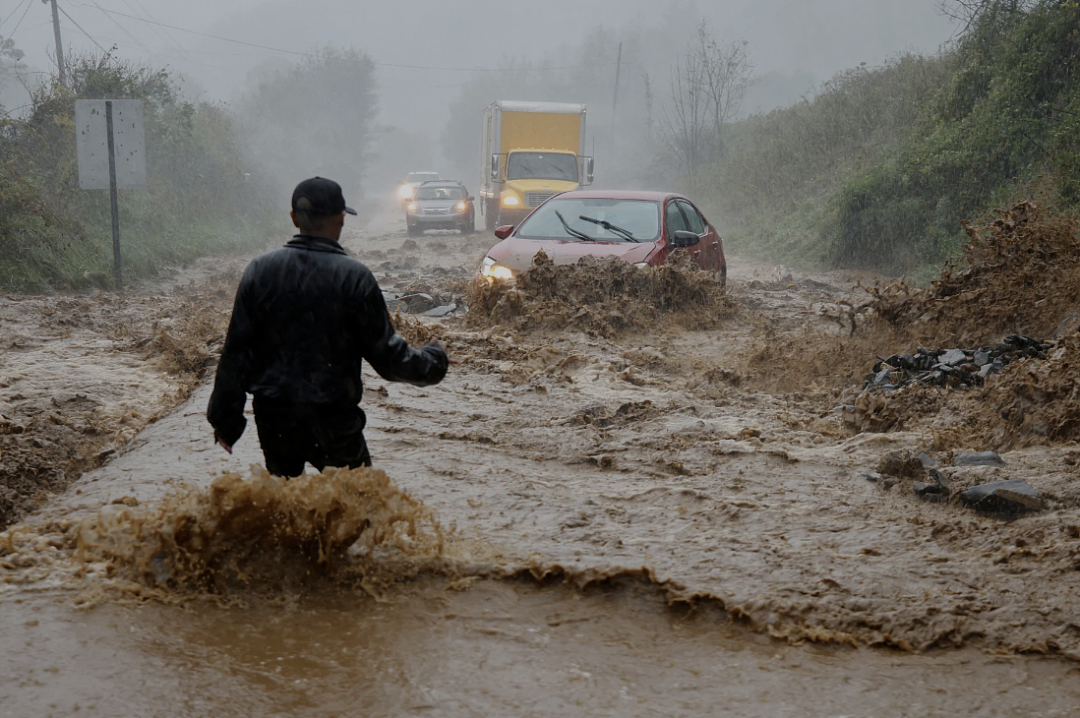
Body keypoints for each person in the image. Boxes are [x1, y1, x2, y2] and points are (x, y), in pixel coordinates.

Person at [207, 176, 448, 476]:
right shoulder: (355, 277)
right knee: (358, 508)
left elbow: (236, 354)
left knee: (286, 506)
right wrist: (433, 359)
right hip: (335, 421)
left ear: (294, 218)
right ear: (341, 218)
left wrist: (226, 423)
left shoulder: (260, 271)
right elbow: (388, 358)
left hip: (275, 420)